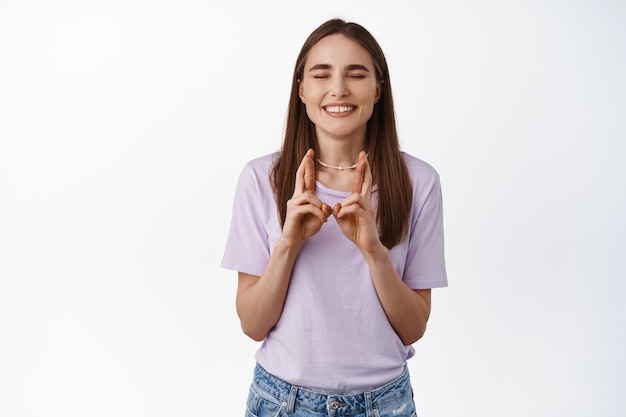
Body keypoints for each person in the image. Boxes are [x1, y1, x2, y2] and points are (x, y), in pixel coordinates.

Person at [221, 18, 447, 417]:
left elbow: (414, 329)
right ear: (302, 89)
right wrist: (288, 245)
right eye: (321, 74)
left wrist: (373, 251)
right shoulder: (262, 180)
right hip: (282, 403)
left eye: (356, 74)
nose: (339, 89)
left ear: (378, 90)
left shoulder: (419, 182)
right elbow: (252, 324)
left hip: (385, 404)